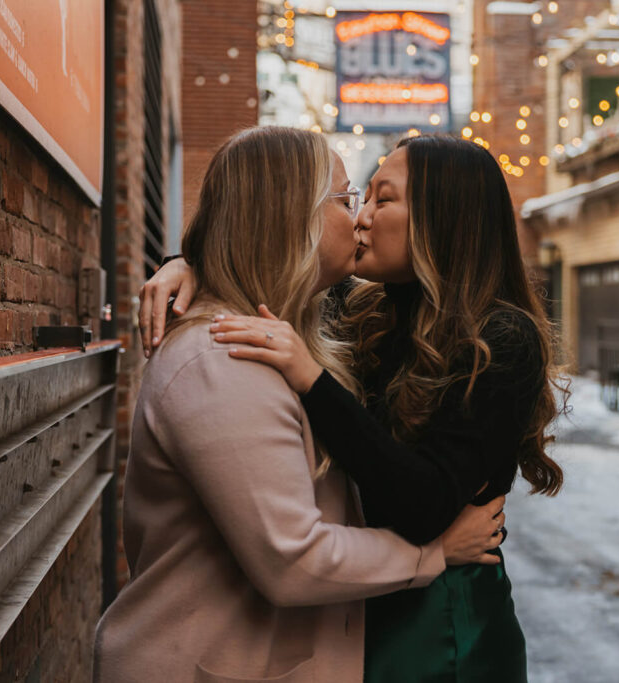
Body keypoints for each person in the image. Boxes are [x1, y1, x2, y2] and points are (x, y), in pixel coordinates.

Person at [141, 135, 565, 682]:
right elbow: (272, 261)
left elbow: (426, 504)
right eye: (354, 201)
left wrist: (313, 381)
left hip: (442, 620)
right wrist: (191, 265)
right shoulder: (368, 310)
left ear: (442, 219)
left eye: (380, 200)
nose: (361, 219)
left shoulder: (501, 338)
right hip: (362, 599)